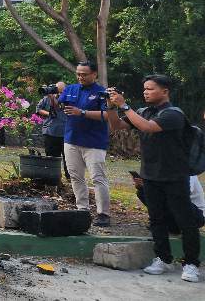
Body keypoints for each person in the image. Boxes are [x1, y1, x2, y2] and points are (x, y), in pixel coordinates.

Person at [108, 75, 200, 282]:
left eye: (150, 89)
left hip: (175, 175)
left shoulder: (174, 114)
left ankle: (192, 264)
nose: (145, 92)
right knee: (156, 219)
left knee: (185, 221)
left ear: (164, 91)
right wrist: (110, 107)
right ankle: (163, 258)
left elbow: (148, 127)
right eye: (144, 89)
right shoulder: (143, 111)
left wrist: (124, 105)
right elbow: (116, 126)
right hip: (150, 175)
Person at [60, 60, 112, 227]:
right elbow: (60, 104)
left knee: (98, 177)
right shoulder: (71, 89)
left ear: (94, 74)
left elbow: (107, 115)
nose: (80, 77)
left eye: (84, 74)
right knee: (75, 176)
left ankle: (103, 213)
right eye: (78, 74)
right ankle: (82, 209)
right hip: (71, 139)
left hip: (94, 142)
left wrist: (81, 112)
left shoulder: (102, 92)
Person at [35, 82, 69, 180]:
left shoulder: (67, 99)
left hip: (65, 133)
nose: (57, 92)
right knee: (51, 158)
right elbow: (38, 109)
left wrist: (52, 97)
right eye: (56, 90)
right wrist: (48, 113)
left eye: (60, 91)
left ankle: (69, 178)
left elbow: (58, 106)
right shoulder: (47, 98)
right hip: (50, 132)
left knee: (68, 158)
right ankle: (54, 178)